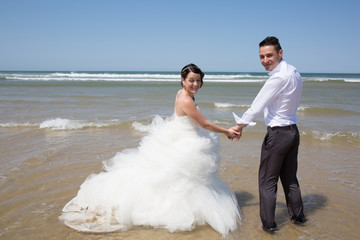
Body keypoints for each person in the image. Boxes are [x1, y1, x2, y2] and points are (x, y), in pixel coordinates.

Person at [59, 63, 241, 237]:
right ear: (183, 80)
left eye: (198, 80)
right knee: (176, 179)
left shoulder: (181, 94)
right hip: (185, 142)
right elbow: (204, 124)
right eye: (191, 80)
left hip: (181, 136)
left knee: (179, 179)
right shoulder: (186, 99)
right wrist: (227, 131)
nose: (195, 84)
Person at [231, 36, 306, 233]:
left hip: (279, 135)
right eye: (262, 56)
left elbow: (256, 106)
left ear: (280, 53)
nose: (265, 60)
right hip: (293, 132)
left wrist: (239, 126)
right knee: (290, 179)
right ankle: (298, 219)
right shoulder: (294, 72)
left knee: (267, 182)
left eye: (269, 55)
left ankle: (268, 225)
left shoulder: (278, 77)